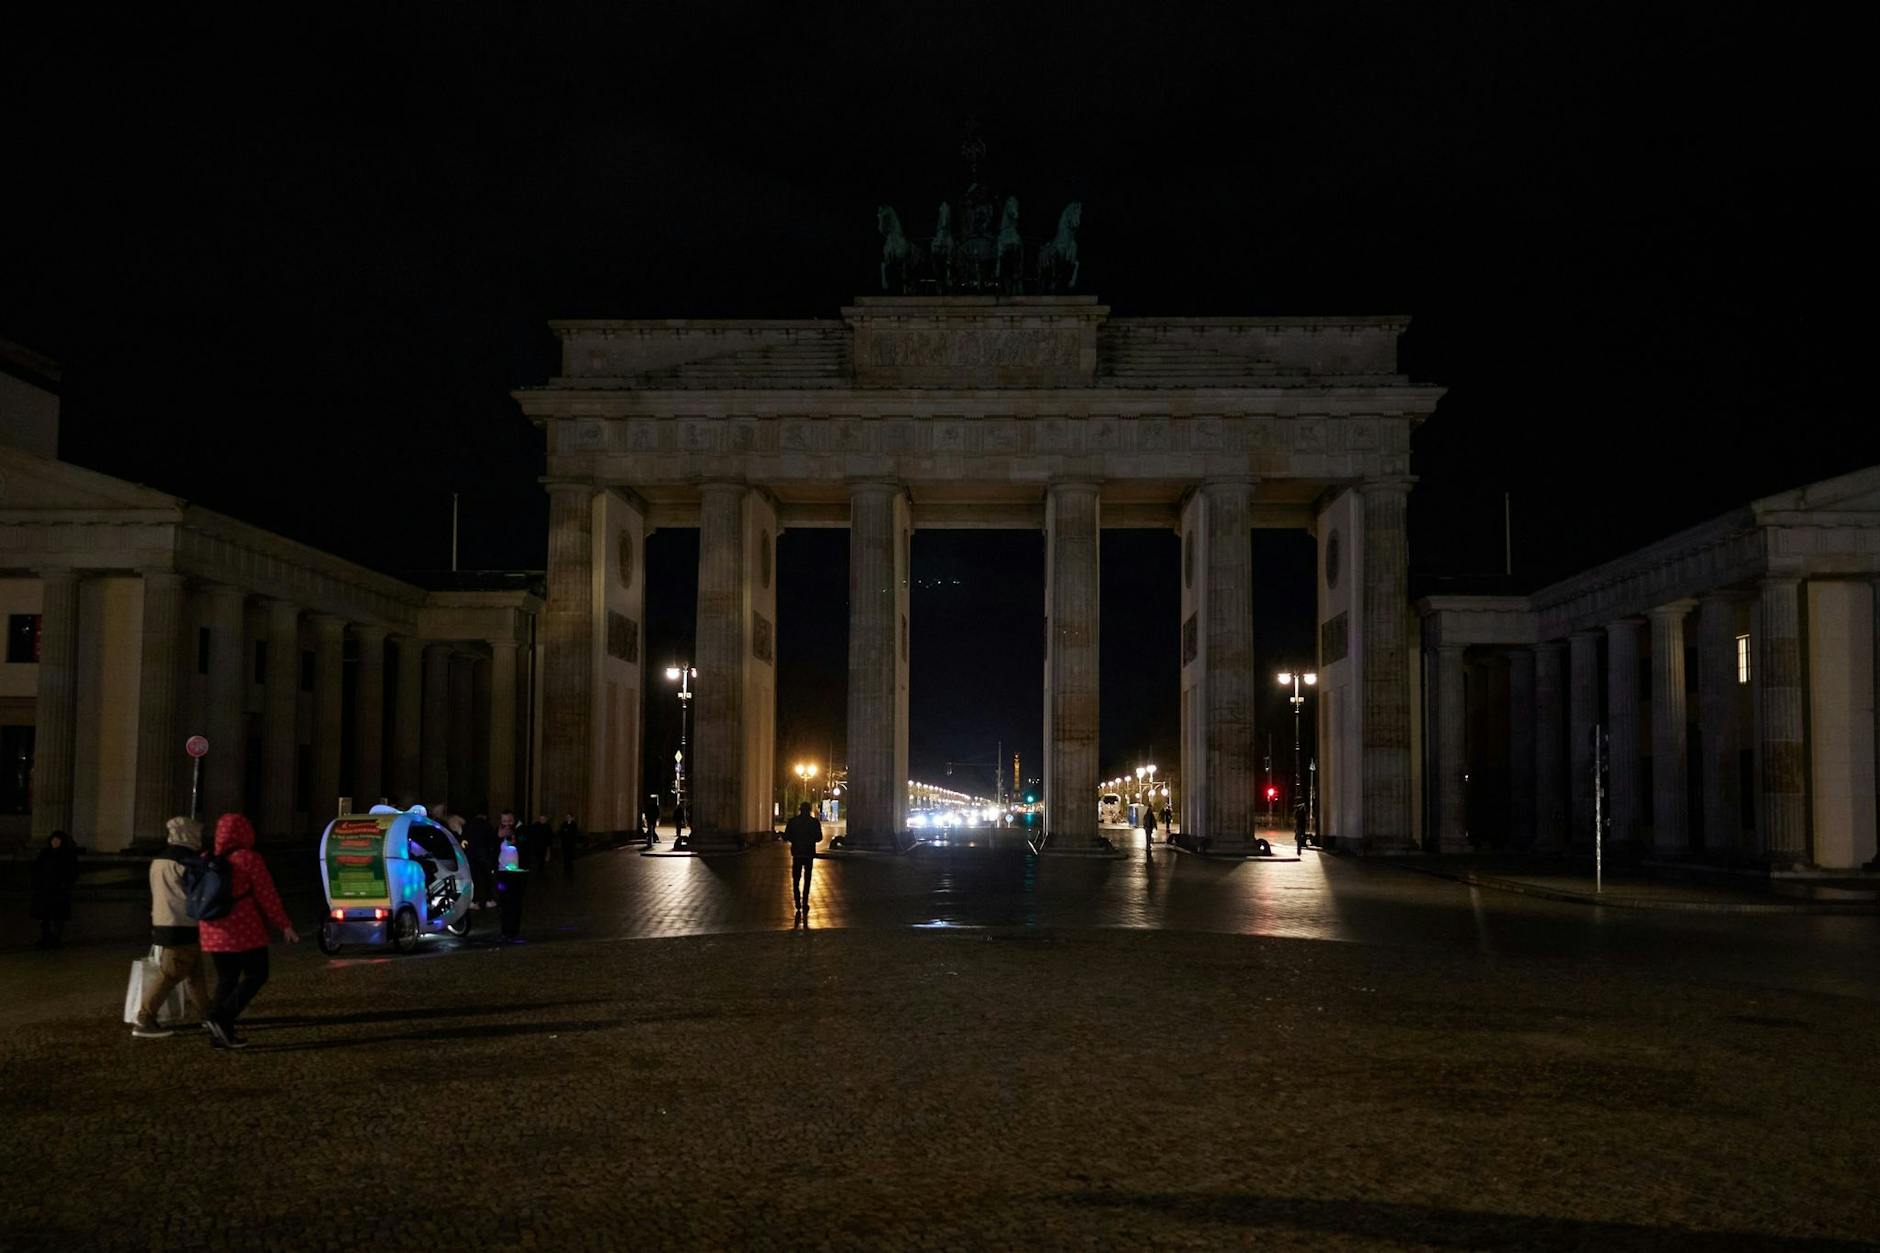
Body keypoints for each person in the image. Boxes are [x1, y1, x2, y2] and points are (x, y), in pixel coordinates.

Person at [198, 813, 298, 1050]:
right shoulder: (249, 859)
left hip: (212, 930)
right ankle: (222, 1018)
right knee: (257, 974)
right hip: (243, 929)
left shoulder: (206, 858)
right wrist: (284, 924)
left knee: (227, 979)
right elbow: (267, 895)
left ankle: (219, 1030)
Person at [134, 817, 211, 1038]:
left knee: (194, 972)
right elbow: (197, 894)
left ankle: (208, 1013)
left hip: (163, 920)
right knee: (170, 973)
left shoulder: (159, 860)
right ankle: (145, 1017)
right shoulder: (188, 861)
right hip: (182, 922)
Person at [29, 829, 79, 948]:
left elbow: (72, 872)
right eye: (54, 840)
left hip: (59, 891)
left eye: (58, 840)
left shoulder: (67, 855)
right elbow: (37, 869)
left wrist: (66, 884)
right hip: (45, 889)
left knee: (58, 916)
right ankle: (45, 937)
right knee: (44, 916)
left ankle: (56, 938)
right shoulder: (45, 853)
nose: (55, 842)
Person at [782, 801, 822, 918]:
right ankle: (805, 902)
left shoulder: (793, 822)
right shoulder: (814, 822)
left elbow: (787, 837)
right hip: (809, 853)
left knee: (796, 878)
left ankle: (797, 901)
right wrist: (810, 839)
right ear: (809, 810)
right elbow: (819, 837)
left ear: (800, 809)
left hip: (797, 853)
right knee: (807, 879)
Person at [494, 815, 529, 941]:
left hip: (517, 873)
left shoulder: (520, 832)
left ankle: (513, 931)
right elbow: (492, 848)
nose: (507, 824)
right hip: (503, 873)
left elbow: (526, 845)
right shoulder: (498, 833)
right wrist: (498, 837)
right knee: (504, 903)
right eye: (504, 821)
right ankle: (505, 930)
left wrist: (517, 840)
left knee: (515, 902)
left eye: (510, 821)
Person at [461, 809, 498, 908]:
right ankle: (488, 900)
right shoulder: (487, 825)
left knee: (473, 878)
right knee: (486, 878)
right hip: (483, 854)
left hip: (470, 854)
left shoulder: (468, 825)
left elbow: (463, 840)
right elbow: (492, 840)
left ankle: (473, 900)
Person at [557, 813, 582, 879]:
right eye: (566, 817)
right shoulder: (564, 824)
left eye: (569, 817)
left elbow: (575, 833)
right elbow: (561, 832)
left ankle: (570, 866)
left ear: (571, 817)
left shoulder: (574, 824)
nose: (567, 818)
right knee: (565, 854)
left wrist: (573, 839)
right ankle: (566, 865)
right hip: (565, 843)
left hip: (571, 843)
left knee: (570, 854)